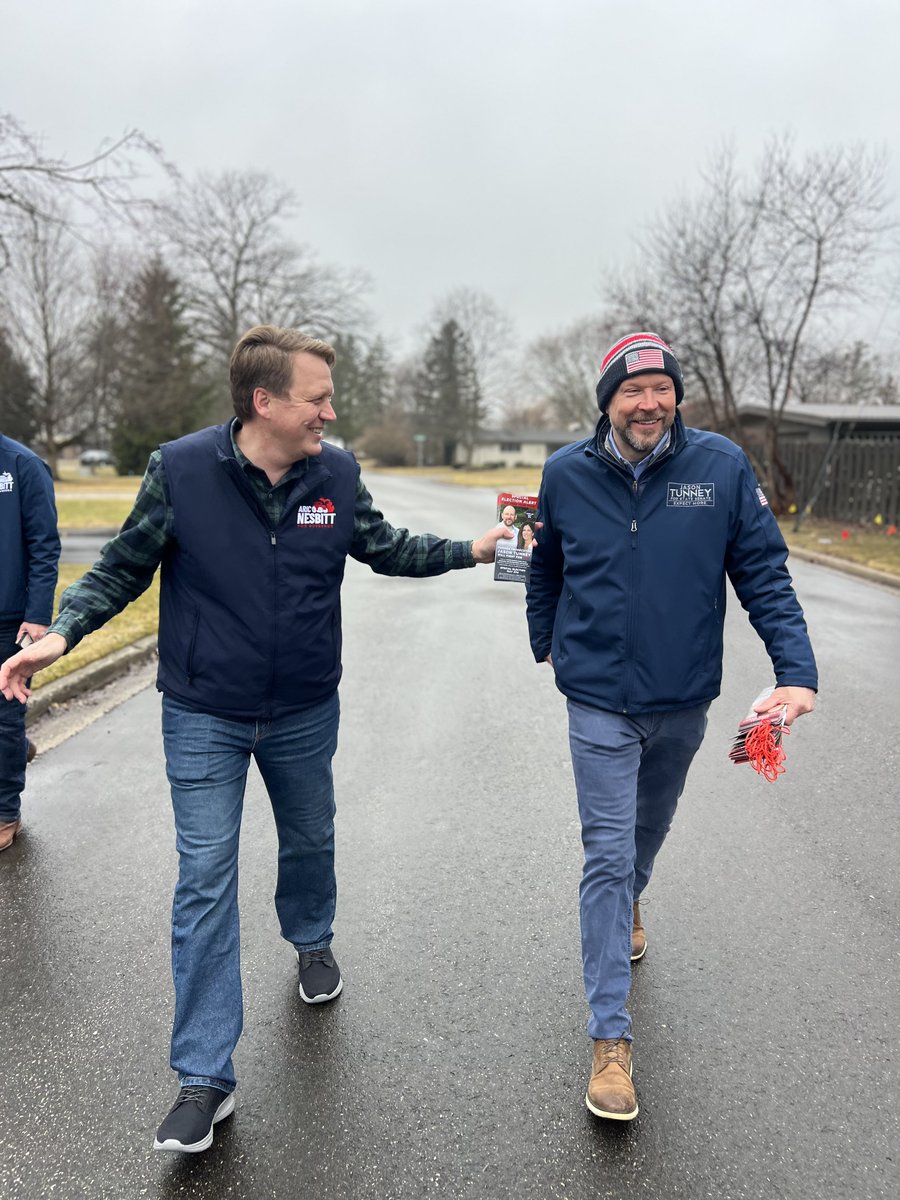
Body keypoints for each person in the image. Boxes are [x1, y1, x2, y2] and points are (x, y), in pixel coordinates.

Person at [0, 325, 515, 1154]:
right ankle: (204, 1077)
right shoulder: (183, 469)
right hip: (203, 709)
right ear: (263, 401)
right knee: (203, 877)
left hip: (305, 707)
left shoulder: (336, 473)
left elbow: (385, 548)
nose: (330, 412)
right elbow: (122, 567)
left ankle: (312, 937)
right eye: (317, 398)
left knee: (310, 838)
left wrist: (469, 549)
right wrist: (65, 632)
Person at [525, 331, 817, 1123]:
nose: (648, 402)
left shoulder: (718, 467)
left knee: (645, 835)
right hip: (596, 699)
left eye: (661, 388)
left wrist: (796, 671)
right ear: (608, 401)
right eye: (632, 390)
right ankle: (609, 1043)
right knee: (607, 852)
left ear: (676, 395)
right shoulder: (565, 473)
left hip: (683, 697)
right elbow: (543, 562)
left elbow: (762, 571)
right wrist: (543, 636)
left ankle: (632, 899)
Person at [0, 432, 60, 852]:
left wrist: (37, 616)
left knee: (3, 719)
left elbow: (44, 544)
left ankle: (5, 813)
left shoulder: (22, 464)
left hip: (10, 622)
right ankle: (18, 749)